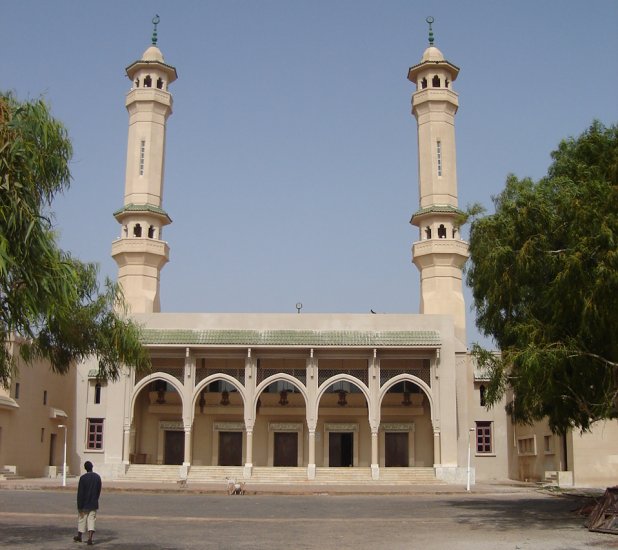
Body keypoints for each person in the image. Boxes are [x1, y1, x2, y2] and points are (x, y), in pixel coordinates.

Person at [73, 461, 102, 545]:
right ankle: (90, 538)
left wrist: (79, 505)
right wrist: (96, 499)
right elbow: (98, 490)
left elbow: (80, 493)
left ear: (85, 468)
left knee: (82, 519)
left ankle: (79, 536)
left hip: (84, 503)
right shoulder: (97, 477)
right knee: (91, 520)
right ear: (92, 467)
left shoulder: (83, 478)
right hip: (93, 502)